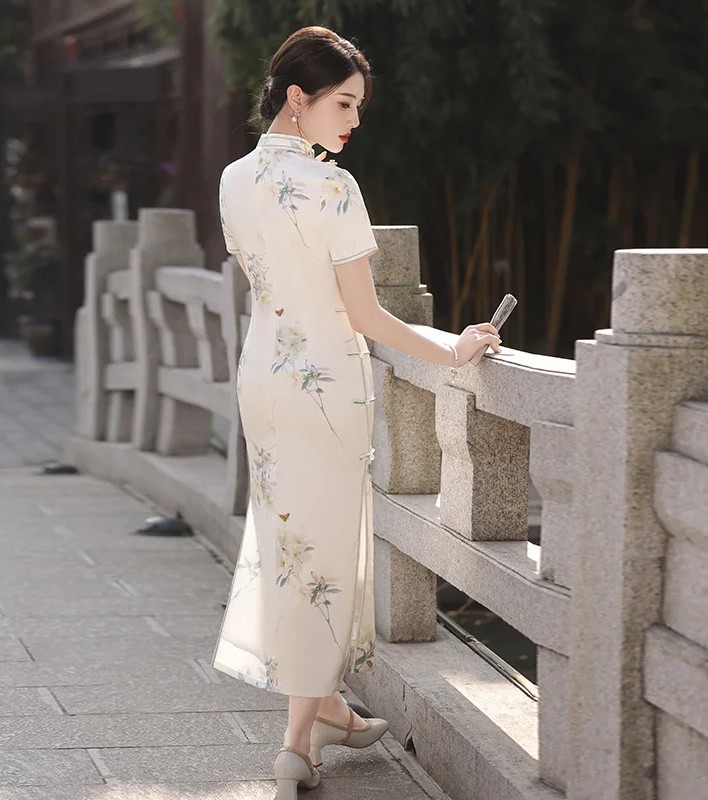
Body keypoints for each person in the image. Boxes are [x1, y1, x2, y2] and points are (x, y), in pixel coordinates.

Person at [212, 25, 502, 799]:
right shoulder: (333, 187)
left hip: (264, 380)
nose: (354, 121)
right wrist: (455, 348)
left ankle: (325, 715)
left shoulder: (233, 179)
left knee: (291, 546)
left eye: (360, 106)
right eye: (344, 103)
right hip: (326, 389)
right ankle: (297, 741)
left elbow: (272, 284)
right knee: (328, 554)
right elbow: (365, 316)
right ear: (297, 99)